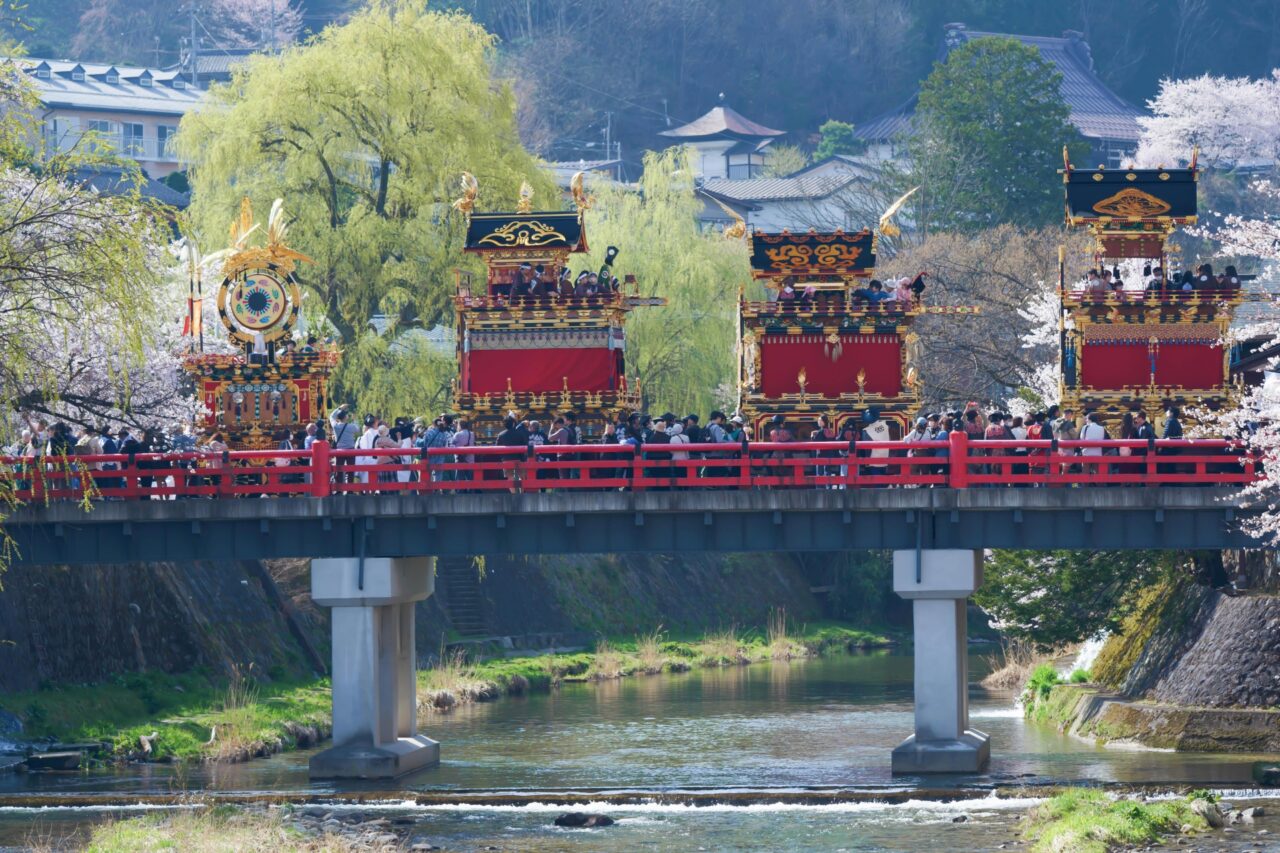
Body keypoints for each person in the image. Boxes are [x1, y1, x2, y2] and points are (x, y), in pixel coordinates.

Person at [1078, 411, 1108, 476]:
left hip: (1086, 451)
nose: (1086, 420)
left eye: (1087, 419)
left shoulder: (1085, 427)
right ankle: (1098, 481)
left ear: (1090, 419)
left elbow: (1082, 439)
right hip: (1098, 452)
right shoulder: (1101, 428)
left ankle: (1085, 482)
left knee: (1085, 469)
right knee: (1097, 470)